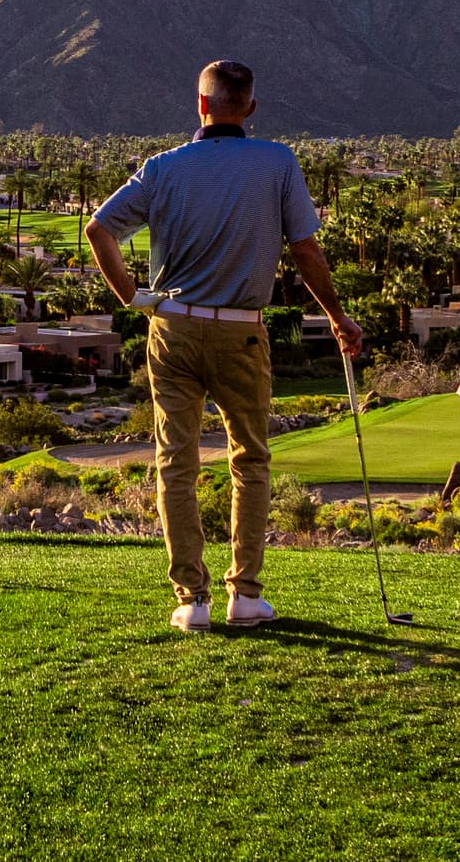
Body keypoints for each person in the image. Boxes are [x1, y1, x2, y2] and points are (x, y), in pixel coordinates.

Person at [84, 59, 361, 631]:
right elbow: (306, 250)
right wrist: (337, 316)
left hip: (173, 328)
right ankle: (245, 596)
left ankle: (192, 601)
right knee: (250, 460)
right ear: (251, 108)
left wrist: (133, 298)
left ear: (201, 105)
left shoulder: (163, 167)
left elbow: (98, 229)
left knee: (176, 462)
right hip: (241, 330)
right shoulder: (277, 162)